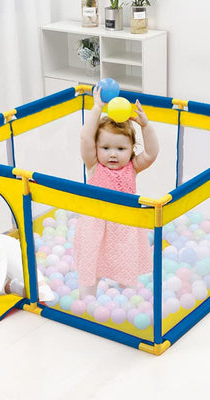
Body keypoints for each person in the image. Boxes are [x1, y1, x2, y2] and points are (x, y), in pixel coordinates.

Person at [74, 86, 159, 298]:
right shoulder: (94, 165)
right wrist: (97, 108)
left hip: (123, 228)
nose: (113, 154)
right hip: (95, 227)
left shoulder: (133, 167)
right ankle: (87, 299)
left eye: (121, 149)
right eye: (106, 148)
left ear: (131, 149)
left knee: (126, 266)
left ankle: (127, 299)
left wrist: (146, 126)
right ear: (97, 148)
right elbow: (85, 139)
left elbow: (151, 153)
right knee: (92, 267)